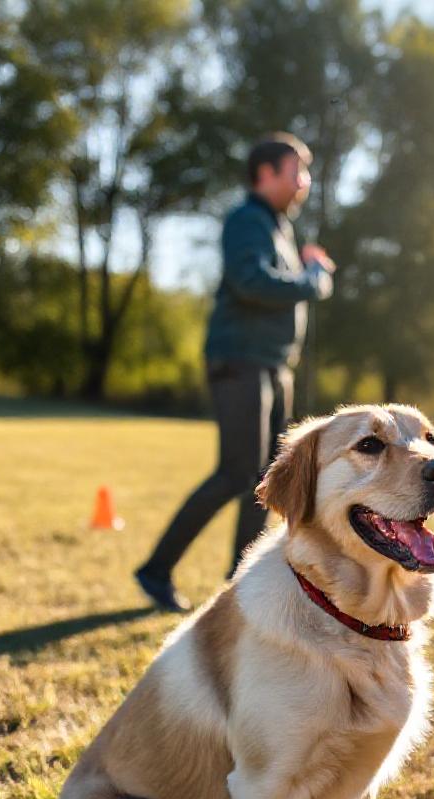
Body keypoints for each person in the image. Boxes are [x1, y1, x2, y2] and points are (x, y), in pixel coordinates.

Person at [135, 133, 335, 612]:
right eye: (296, 170)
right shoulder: (248, 219)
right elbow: (251, 282)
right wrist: (310, 278)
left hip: (270, 365)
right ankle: (155, 571)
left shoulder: (277, 227)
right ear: (265, 174)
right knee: (236, 473)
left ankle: (240, 584)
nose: (303, 181)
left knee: (265, 481)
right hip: (240, 360)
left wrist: (305, 269)